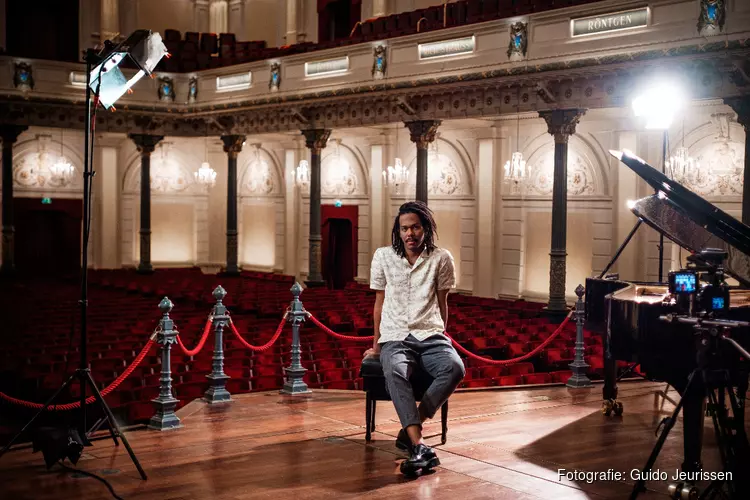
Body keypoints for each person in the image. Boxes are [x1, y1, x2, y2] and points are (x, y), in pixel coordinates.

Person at [364, 200, 465, 475]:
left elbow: (443, 302)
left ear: (426, 229)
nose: (409, 234)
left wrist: (443, 335)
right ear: (398, 231)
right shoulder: (383, 256)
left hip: (430, 332)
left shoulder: (441, 258)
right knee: (395, 371)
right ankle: (419, 445)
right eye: (404, 229)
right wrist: (376, 346)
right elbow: (379, 303)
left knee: (455, 367)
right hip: (395, 335)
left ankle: (412, 427)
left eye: (415, 227)